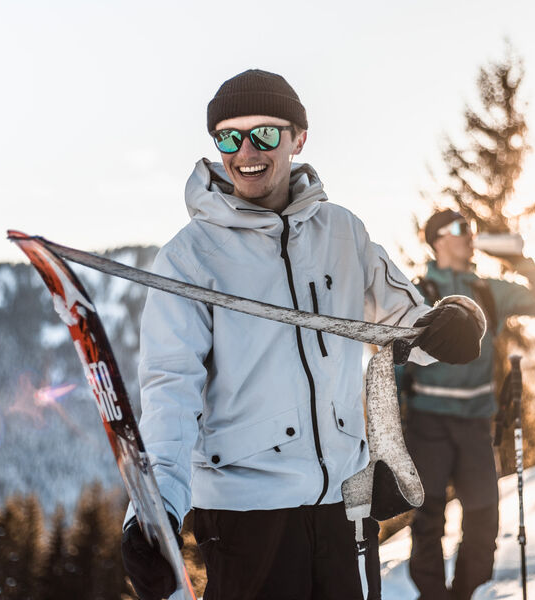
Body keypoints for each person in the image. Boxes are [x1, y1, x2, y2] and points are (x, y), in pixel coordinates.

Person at [119, 69, 486, 600]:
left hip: (344, 507)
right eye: (229, 138)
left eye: (264, 134)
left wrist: (456, 321)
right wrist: (154, 510)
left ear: (298, 138)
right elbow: (170, 395)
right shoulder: (189, 259)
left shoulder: (342, 232)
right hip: (247, 522)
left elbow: (408, 324)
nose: (246, 151)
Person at [400, 209, 535, 600]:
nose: (470, 235)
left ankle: (467, 593)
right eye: (461, 229)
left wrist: (522, 262)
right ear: (438, 239)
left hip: (475, 426)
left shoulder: (489, 292)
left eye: (471, 228)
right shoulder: (416, 294)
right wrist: (390, 424)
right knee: (427, 519)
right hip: (427, 424)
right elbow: (395, 359)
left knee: (483, 517)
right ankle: (431, 596)